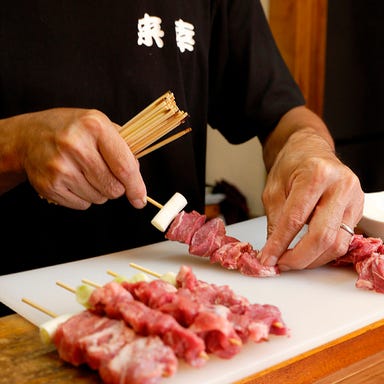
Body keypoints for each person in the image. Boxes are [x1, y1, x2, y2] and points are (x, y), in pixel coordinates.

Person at [0, 1, 363, 311]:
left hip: (176, 303)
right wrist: (16, 144)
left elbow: (283, 115)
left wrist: (308, 145)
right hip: (15, 307)